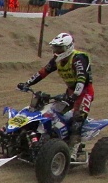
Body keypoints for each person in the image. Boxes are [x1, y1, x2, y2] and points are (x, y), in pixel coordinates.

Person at [17, 32, 93, 160]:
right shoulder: (57, 60)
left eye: (59, 48)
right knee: (49, 112)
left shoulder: (78, 58)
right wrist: (27, 83)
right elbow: (43, 72)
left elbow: (81, 78)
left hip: (84, 93)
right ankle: (45, 138)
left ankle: (73, 150)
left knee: (77, 120)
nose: (56, 51)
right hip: (70, 91)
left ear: (68, 48)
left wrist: (75, 95)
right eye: (55, 48)